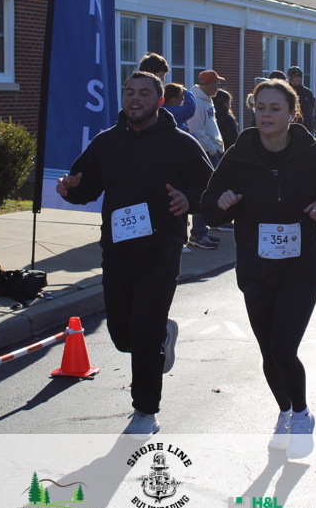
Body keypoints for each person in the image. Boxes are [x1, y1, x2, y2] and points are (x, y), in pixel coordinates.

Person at [56, 71, 213, 437]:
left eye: (144, 93)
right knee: (122, 335)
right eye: (129, 92)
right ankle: (161, 336)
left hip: (162, 250)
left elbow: (209, 187)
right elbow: (84, 187)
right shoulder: (107, 142)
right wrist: (69, 189)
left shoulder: (180, 143)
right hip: (118, 249)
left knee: (143, 329)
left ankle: (145, 411)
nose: (135, 98)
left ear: (159, 100)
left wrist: (189, 200)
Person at [201, 79, 316, 459]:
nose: (266, 115)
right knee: (268, 351)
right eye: (261, 108)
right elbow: (210, 204)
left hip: (301, 265)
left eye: (275, 108)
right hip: (257, 266)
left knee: (284, 347)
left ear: (292, 113)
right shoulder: (239, 154)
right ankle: (284, 411)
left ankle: (301, 414)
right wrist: (222, 202)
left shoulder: (313, 151)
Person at [186, 70, 227, 250]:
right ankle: (198, 234)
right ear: (207, 84)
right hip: (206, 153)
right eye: (216, 83)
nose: (218, 87)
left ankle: (203, 230)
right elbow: (197, 131)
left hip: (212, 151)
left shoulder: (206, 100)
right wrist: (211, 149)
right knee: (203, 192)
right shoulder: (197, 101)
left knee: (209, 192)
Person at [287, 66, 316, 133]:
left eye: (299, 75)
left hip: (309, 130)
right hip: (293, 130)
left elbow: (315, 108)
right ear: (290, 78)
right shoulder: (287, 92)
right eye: (295, 76)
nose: (298, 78)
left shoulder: (307, 92)